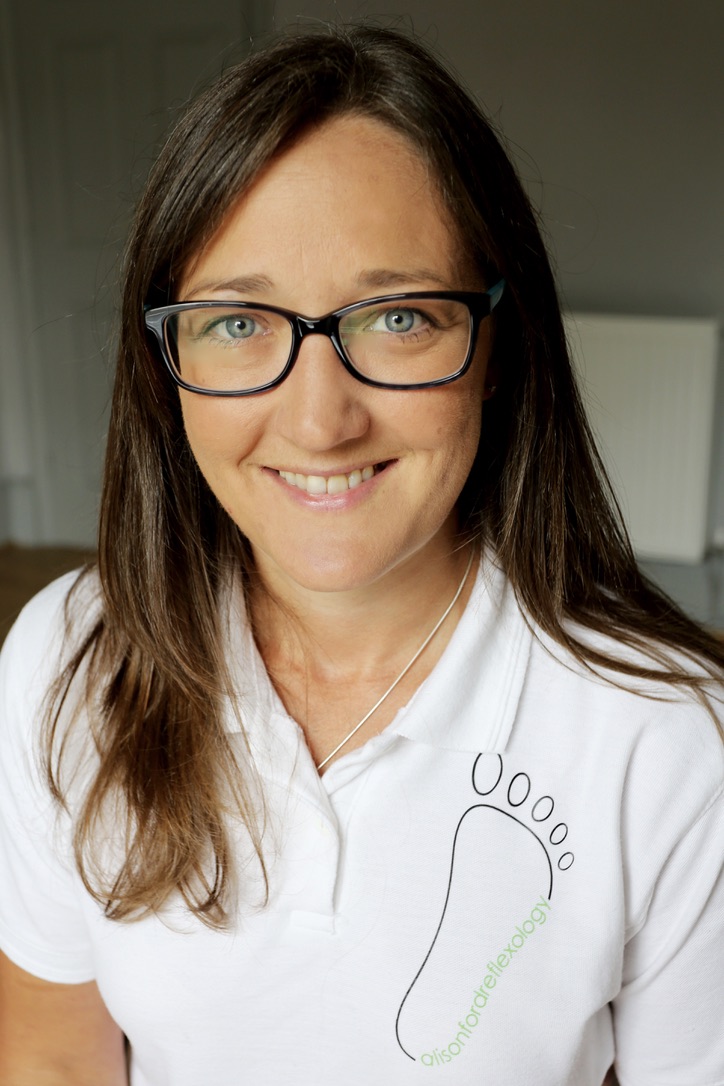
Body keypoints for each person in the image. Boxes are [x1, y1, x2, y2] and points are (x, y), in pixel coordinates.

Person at [0, 23, 722, 1086]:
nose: (319, 420)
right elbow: (55, 1054)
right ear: (164, 366)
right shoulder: (68, 654)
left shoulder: (673, 737)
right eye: (239, 324)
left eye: (396, 318)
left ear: (496, 349)